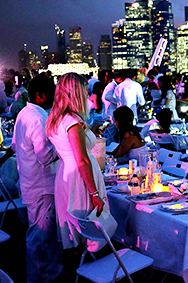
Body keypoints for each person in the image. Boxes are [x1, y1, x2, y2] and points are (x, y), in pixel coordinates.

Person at [46, 73, 115, 251]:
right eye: (85, 90)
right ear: (76, 92)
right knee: (88, 222)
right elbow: (82, 160)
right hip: (79, 178)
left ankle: (79, 265)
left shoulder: (56, 118)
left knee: (74, 225)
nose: (87, 94)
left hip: (65, 174)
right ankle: (89, 264)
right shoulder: (72, 121)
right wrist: (94, 193)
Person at [12, 74, 62, 282]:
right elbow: (45, 156)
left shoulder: (24, 113)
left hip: (30, 182)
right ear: (41, 95)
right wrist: (64, 145)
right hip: (42, 186)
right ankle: (44, 277)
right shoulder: (39, 118)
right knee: (42, 238)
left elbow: (15, 146)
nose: (56, 98)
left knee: (37, 235)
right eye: (53, 93)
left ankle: (40, 275)